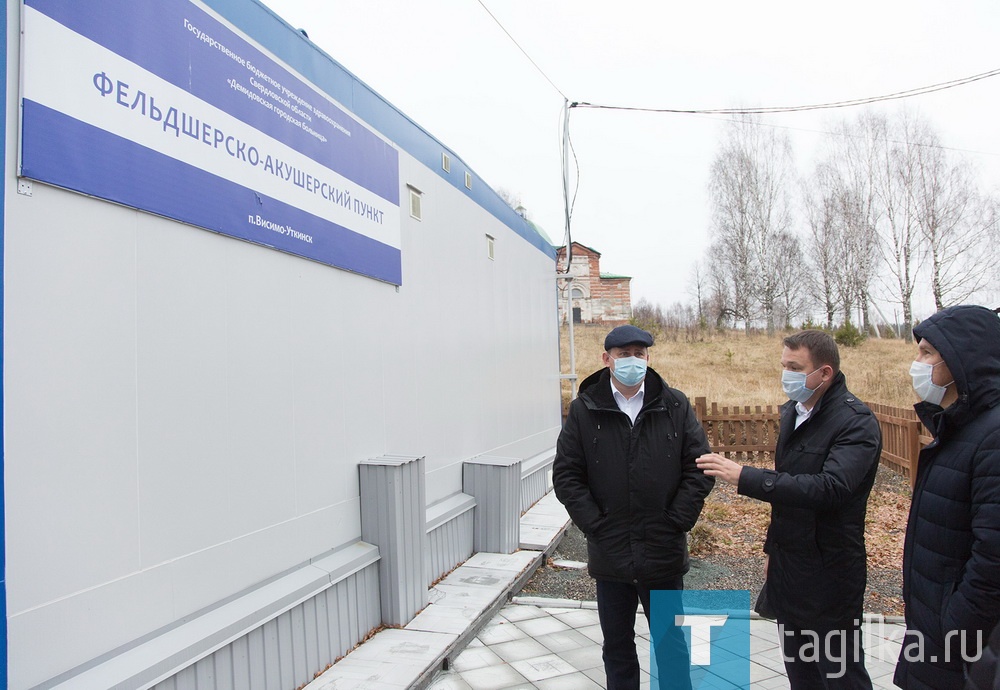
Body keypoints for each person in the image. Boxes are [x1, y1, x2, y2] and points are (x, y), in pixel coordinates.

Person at [697, 330, 882, 690]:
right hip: (790, 566)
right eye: (784, 366)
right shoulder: (793, 413)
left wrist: (746, 477)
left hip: (831, 573)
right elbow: (789, 494)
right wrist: (772, 549)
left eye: (795, 367)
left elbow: (831, 488)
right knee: (801, 672)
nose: (786, 375)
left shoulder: (855, 422)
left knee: (840, 675)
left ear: (824, 373)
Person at [553, 324, 714, 690]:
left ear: (649, 358)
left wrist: (677, 521)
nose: (632, 361)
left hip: (662, 551)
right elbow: (566, 475)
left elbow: (700, 468)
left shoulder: (674, 404)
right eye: (624, 355)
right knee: (617, 647)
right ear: (606, 359)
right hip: (611, 553)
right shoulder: (584, 409)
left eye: (639, 355)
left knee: (671, 644)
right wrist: (595, 524)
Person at [892, 305, 1000, 690]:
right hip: (932, 632)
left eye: (926, 353)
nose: (916, 363)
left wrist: (955, 627)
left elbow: (993, 556)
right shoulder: (956, 426)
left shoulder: (991, 435)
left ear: (959, 360)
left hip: (957, 647)